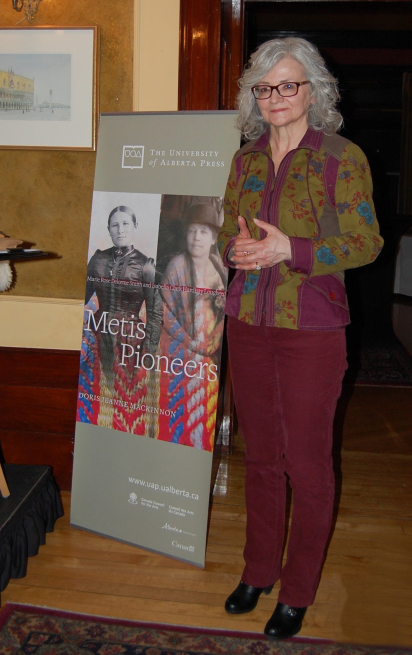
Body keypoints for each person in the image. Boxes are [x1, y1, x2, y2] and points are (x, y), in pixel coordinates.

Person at [217, 37, 383, 639]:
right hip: (248, 322)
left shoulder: (341, 157)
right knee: (261, 457)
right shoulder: (245, 160)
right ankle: (258, 570)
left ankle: (298, 590)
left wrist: (294, 249)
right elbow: (224, 230)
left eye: (288, 85)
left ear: (314, 92)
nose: (276, 97)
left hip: (312, 328)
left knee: (308, 465)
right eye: (264, 88)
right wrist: (234, 250)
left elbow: (366, 243)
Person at [79, 205, 162, 436]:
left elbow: (155, 313)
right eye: (115, 225)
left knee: (128, 403)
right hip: (98, 336)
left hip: (131, 341)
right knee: (97, 396)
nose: (120, 230)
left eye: (125, 224)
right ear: (109, 229)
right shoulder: (97, 259)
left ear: (135, 227)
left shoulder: (146, 265)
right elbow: (81, 297)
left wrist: (148, 351)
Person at [158, 203, 227, 451]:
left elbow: (225, 312)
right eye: (192, 231)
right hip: (178, 353)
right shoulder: (176, 266)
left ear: (214, 239)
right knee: (177, 411)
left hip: (210, 355)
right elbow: (163, 311)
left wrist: (212, 343)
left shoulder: (220, 268)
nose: (196, 237)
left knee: (202, 412)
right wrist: (191, 344)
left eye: (204, 232)